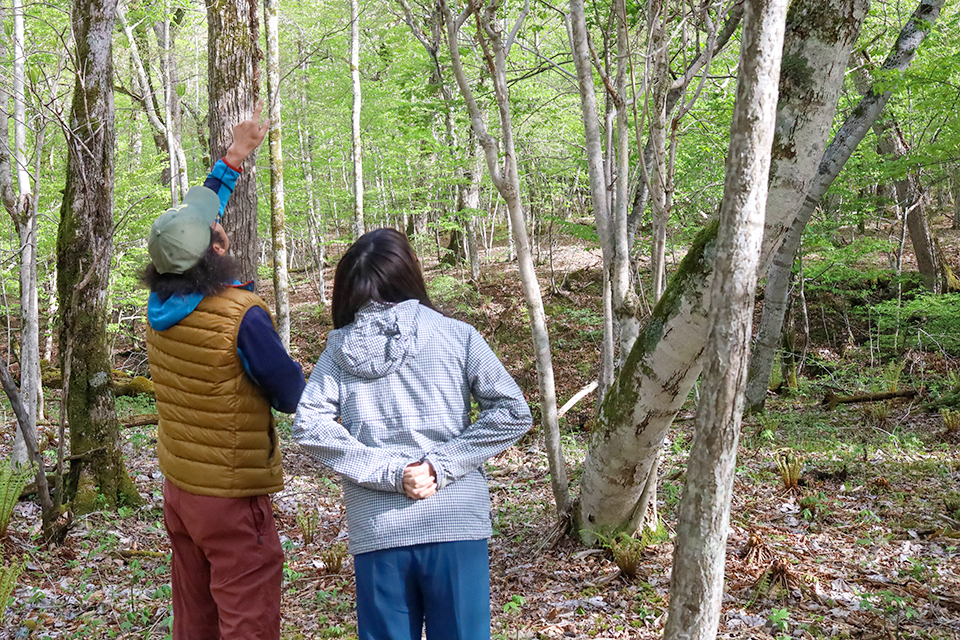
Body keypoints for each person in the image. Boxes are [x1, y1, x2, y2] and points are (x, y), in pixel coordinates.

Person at [293, 228, 532, 640]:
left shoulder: (339, 352)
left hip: (378, 527)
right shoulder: (458, 336)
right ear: (410, 276)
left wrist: (391, 470)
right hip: (456, 522)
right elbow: (513, 411)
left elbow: (308, 424)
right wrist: (440, 466)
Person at [143, 100, 306, 640]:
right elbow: (289, 394)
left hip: (181, 488)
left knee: (195, 616)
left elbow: (201, 213)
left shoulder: (160, 309)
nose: (220, 223)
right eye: (216, 228)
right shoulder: (241, 316)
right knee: (247, 616)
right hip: (231, 498)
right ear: (216, 249)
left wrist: (236, 155)